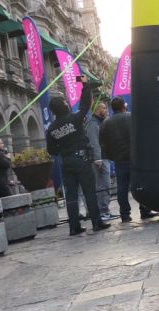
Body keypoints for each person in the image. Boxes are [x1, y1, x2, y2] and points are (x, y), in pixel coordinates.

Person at [46, 76, 111, 235]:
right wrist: (85, 84)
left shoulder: (52, 129)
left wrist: (63, 149)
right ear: (65, 105)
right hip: (82, 159)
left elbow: (51, 150)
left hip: (66, 161)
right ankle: (96, 222)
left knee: (71, 195)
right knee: (89, 191)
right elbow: (85, 103)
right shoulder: (75, 118)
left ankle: (74, 226)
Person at [99, 97, 158, 222]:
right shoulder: (132, 117)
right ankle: (145, 210)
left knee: (122, 188)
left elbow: (103, 144)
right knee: (141, 185)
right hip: (135, 158)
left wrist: (112, 156)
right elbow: (143, 134)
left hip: (119, 160)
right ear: (123, 106)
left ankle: (125, 214)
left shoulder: (106, 123)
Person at [85, 100, 116, 221]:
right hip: (99, 158)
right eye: (103, 108)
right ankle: (103, 211)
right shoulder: (93, 122)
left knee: (104, 184)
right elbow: (93, 141)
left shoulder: (101, 121)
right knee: (103, 184)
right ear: (97, 109)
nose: (106, 110)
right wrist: (97, 158)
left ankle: (104, 210)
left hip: (104, 157)